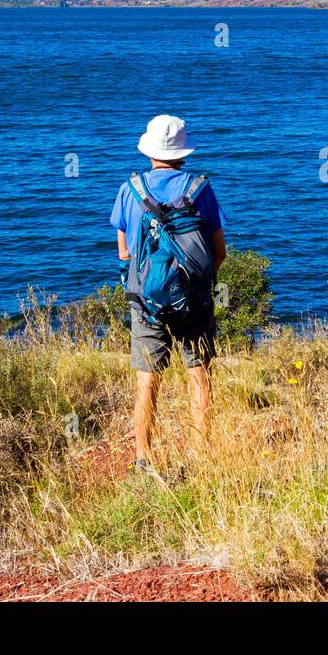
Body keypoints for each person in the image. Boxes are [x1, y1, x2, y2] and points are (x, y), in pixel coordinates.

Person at [110, 115, 226, 474]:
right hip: (195, 299)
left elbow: (125, 254)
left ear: (149, 151)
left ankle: (144, 457)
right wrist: (201, 285)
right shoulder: (200, 189)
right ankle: (201, 454)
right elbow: (218, 250)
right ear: (182, 151)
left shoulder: (130, 190)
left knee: (148, 380)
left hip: (146, 303)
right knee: (198, 375)